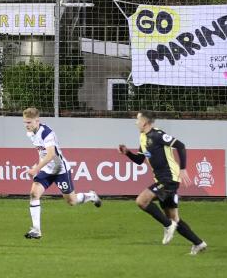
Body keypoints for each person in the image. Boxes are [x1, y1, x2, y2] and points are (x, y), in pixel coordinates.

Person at [118, 111, 207, 255]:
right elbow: (140, 160)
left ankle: (167, 225)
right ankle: (198, 243)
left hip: (169, 178)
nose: (136, 122)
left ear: (145, 122)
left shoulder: (157, 135)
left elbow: (181, 145)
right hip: (162, 180)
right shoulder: (143, 137)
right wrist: (127, 152)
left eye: (137, 120)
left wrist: (183, 169)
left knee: (141, 201)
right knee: (175, 218)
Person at [22, 107, 101, 240]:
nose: (26, 125)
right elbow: (42, 152)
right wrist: (39, 166)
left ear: (37, 121)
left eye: (29, 122)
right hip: (46, 170)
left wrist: (36, 169)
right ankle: (36, 230)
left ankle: (91, 196)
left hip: (59, 170)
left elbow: (51, 154)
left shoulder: (47, 133)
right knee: (34, 194)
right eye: (25, 122)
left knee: (72, 201)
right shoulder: (30, 133)